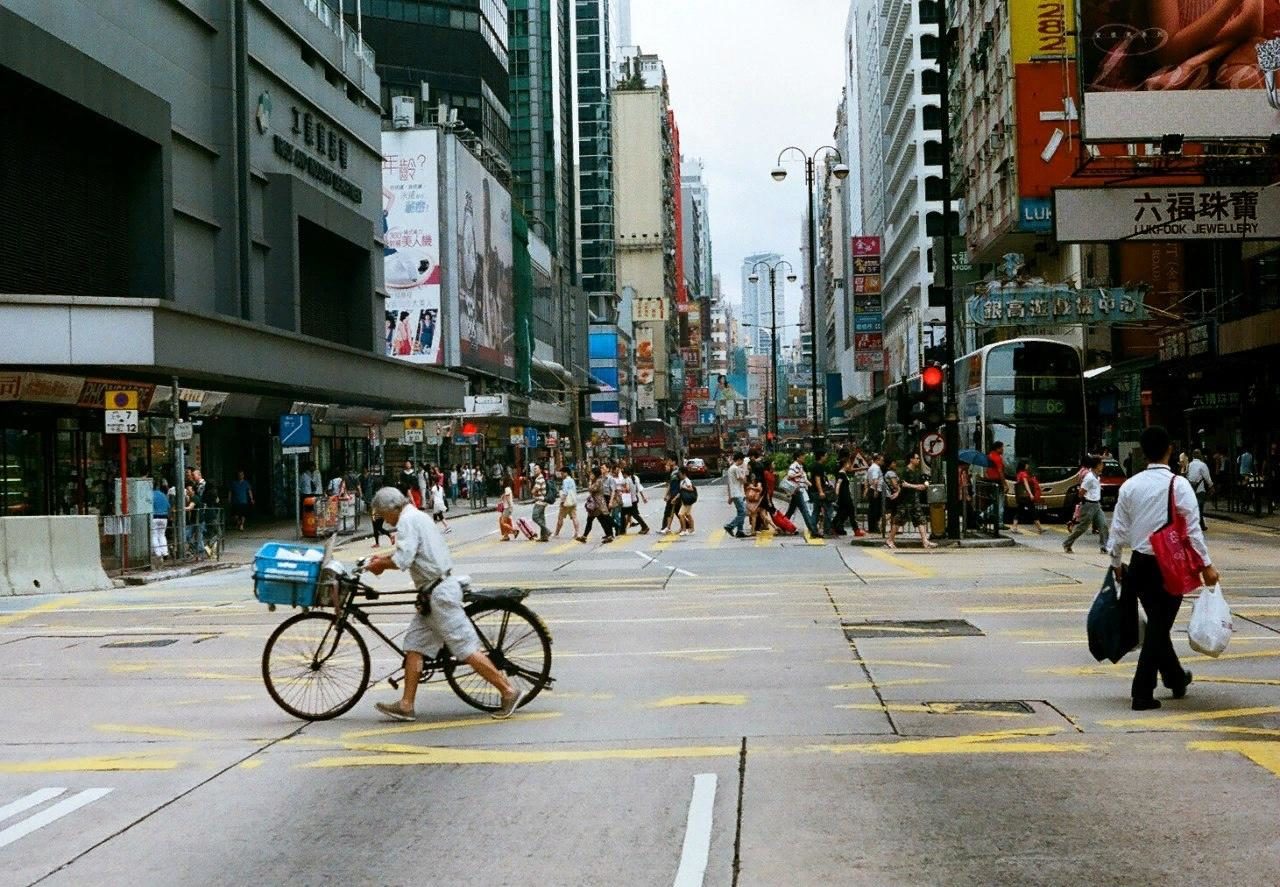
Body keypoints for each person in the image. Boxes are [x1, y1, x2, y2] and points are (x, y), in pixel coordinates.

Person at [366, 488, 523, 721]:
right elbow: (408, 551)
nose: (383, 520)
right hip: (431, 594)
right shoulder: (417, 516)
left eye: (382, 514)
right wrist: (383, 558)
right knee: (415, 646)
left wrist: (380, 565)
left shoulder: (407, 521)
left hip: (439, 594)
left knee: (465, 648)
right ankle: (406, 704)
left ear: (391, 509)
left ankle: (507, 690)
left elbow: (403, 559)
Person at [1108, 426, 1217, 711]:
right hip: (1169, 565)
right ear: (1169, 449)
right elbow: (1193, 530)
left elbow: (1117, 530)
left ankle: (1175, 677)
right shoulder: (1178, 485)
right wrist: (1206, 565)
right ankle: (1141, 692)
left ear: (1143, 452)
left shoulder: (1129, 486)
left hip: (1140, 565)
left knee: (1159, 624)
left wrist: (1116, 563)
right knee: (1159, 626)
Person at [888, 453, 938, 550]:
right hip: (905, 500)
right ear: (911, 459)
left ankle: (925, 541)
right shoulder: (905, 471)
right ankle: (890, 539)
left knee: (920, 519)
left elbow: (914, 484)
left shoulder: (916, 471)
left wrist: (922, 486)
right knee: (899, 520)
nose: (919, 460)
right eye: (917, 458)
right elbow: (903, 484)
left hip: (914, 499)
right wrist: (916, 487)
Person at [785, 450, 818, 537]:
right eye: (802, 456)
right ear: (798, 457)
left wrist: (812, 486)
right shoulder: (794, 466)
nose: (804, 458)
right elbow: (789, 476)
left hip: (800, 491)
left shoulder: (800, 466)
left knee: (790, 511)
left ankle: (783, 525)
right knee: (805, 511)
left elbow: (804, 480)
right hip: (797, 490)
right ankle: (813, 530)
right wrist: (798, 474)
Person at [578, 465, 615, 543]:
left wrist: (590, 482)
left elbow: (591, 489)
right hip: (594, 505)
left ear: (595, 474)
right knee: (592, 520)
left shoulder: (598, 481)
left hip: (597, 505)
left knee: (601, 520)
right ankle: (585, 536)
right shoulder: (597, 480)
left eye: (592, 474)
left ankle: (610, 534)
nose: (590, 475)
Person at [1009, 460, 1044, 535]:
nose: (1028, 466)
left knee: (1019, 510)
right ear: (1024, 465)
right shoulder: (1024, 474)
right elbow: (1026, 484)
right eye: (1027, 464)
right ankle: (1039, 528)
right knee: (1033, 511)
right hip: (1026, 496)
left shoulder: (1018, 473)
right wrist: (1030, 494)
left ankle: (1014, 527)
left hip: (1020, 496)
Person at [1186, 448, 1214, 531]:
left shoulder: (1189, 464)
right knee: (1200, 507)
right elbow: (1207, 477)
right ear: (1200, 455)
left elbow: (1187, 475)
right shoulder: (1202, 465)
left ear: (1193, 455)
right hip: (1200, 489)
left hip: (1191, 489)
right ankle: (1200, 525)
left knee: (1193, 507)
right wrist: (1211, 486)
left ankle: (1195, 524)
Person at [723, 452, 749, 539]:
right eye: (742, 461)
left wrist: (730, 496)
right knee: (743, 512)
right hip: (737, 493)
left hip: (735, 493)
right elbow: (743, 480)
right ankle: (730, 526)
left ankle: (740, 531)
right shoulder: (735, 468)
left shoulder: (731, 469)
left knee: (740, 512)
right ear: (739, 459)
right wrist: (745, 470)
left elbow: (729, 483)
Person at [617, 466, 650, 534]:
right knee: (633, 515)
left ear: (626, 473)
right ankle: (623, 530)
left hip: (628, 501)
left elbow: (627, 489)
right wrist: (643, 497)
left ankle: (645, 527)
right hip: (633, 500)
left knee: (629, 515)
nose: (623, 475)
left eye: (623, 473)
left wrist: (620, 490)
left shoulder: (627, 479)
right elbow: (638, 488)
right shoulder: (634, 478)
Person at [811, 451, 834, 537]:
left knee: (816, 511)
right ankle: (827, 530)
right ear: (821, 456)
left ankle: (813, 530)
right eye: (825, 455)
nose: (826, 457)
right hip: (818, 492)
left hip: (815, 491)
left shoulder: (816, 465)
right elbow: (817, 479)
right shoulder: (818, 466)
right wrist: (821, 491)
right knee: (829, 510)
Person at [554, 465, 581, 538]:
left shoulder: (565, 481)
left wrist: (562, 502)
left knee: (560, 518)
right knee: (574, 517)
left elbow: (565, 493)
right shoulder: (572, 480)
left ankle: (556, 533)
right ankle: (577, 533)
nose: (561, 475)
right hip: (573, 502)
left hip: (566, 503)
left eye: (562, 473)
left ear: (566, 473)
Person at [985, 441, 1007, 529]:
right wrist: (1005, 484)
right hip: (997, 481)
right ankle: (1000, 522)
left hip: (990, 481)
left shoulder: (989, 456)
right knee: (1000, 502)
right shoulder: (997, 458)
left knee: (994, 501)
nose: (1003, 449)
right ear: (997, 448)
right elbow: (1000, 472)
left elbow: (986, 471)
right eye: (1002, 447)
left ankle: (983, 515)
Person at [530, 465, 553, 542]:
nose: (535, 470)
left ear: (540, 470)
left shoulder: (539, 479)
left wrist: (533, 492)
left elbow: (533, 491)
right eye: (534, 469)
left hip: (540, 501)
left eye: (536, 469)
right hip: (543, 501)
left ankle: (547, 531)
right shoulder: (541, 478)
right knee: (542, 518)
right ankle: (544, 537)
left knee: (535, 516)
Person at [864, 453, 884, 537]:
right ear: (877, 460)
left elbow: (867, 479)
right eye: (882, 460)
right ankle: (874, 527)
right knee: (876, 509)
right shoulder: (876, 468)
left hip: (872, 489)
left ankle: (872, 527)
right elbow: (875, 480)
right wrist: (876, 491)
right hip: (875, 490)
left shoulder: (871, 467)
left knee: (872, 509)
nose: (883, 462)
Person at [150, 480, 170, 561]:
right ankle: (165, 553)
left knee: (154, 535)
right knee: (162, 535)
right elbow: (168, 506)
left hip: (155, 517)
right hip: (164, 517)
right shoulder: (163, 495)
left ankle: (158, 554)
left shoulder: (151, 495)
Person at [661, 458, 682, 533]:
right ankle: (667, 527)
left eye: (670, 461)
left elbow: (682, 482)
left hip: (677, 494)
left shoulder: (678, 471)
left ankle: (686, 526)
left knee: (677, 512)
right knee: (671, 511)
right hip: (672, 494)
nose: (668, 462)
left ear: (674, 461)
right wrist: (667, 494)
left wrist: (678, 494)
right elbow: (670, 484)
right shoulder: (672, 471)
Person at [676, 465, 698, 536]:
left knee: (680, 514)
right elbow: (681, 491)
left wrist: (684, 487)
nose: (679, 475)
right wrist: (676, 498)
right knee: (688, 514)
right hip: (685, 500)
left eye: (680, 474)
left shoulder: (687, 480)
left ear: (684, 473)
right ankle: (692, 529)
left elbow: (691, 489)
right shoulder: (682, 481)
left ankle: (684, 530)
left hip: (687, 500)